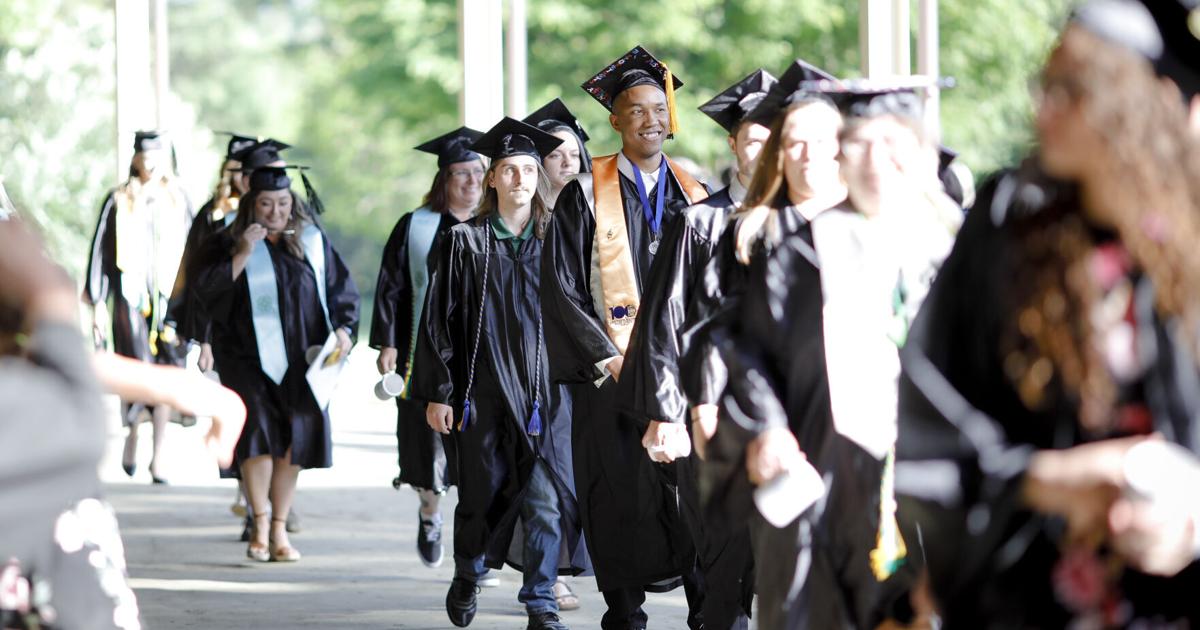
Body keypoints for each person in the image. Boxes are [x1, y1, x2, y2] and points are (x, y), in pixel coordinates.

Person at [894, 1, 1200, 625]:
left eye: (1070, 90)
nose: (1043, 107)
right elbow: (932, 406)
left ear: (1135, 104)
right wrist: (1044, 479)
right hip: (1028, 593)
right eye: (1046, 83)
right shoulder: (1010, 228)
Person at [0, 213, 244, 630]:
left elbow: (78, 373)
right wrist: (51, 301)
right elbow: (69, 415)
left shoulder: (38, 376)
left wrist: (196, 392)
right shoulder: (45, 427)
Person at [541, 45, 710, 630]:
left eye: (658, 107)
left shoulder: (696, 192)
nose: (650, 120)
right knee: (618, 496)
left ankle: (706, 611)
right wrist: (610, 359)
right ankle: (625, 614)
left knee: (692, 495)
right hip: (611, 379)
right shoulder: (583, 194)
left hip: (682, 378)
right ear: (614, 121)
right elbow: (560, 289)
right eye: (635, 110)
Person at [616, 67, 778, 630]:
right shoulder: (698, 223)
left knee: (779, 557)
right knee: (722, 555)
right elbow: (661, 323)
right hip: (708, 413)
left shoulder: (804, 221)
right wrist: (664, 411)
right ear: (732, 144)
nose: (764, 149)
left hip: (787, 416)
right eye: (752, 138)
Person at [414, 117, 587, 630]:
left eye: (528, 170)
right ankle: (469, 571)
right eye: (508, 170)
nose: (519, 180)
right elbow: (437, 320)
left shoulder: (557, 235)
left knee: (547, 499)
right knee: (481, 497)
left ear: (539, 178)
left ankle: (541, 603)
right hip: (482, 393)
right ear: (492, 179)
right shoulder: (464, 241)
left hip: (546, 393)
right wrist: (440, 391)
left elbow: (581, 311)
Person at [193, 165, 359, 563]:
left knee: (292, 441)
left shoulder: (313, 241)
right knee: (257, 438)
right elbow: (207, 295)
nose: (275, 212)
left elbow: (341, 293)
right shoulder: (229, 238)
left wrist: (345, 329)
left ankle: (281, 527)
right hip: (245, 359)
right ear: (252, 205)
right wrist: (244, 251)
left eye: (282, 203)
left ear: (292, 204)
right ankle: (260, 524)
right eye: (266, 203)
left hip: (304, 359)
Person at [370, 126, 485, 570]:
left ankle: (476, 551)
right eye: (461, 173)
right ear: (444, 179)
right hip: (424, 351)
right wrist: (389, 343)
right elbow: (392, 288)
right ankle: (430, 511)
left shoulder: (494, 225)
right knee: (425, 444)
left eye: (478, 171)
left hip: (479, 354)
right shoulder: (415, 226)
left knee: (478, 450)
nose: (471, 180)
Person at [83, 130, 194, 485]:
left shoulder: (178, 199)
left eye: (155, 156)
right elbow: (100, 255)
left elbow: (196, 253)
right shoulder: (119, 199)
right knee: (136, 368)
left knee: (166, 372)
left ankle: (158, 455)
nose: (149, 163)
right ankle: (132, 433)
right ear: (134, 159)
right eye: (143, 157)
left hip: (170, 300)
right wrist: (97, 305)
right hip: (129, 301)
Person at [522, 98, 593, 612]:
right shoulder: (528, 224)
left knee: (587, 474)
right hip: (541, 369)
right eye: (556, 155)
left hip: (596, 367)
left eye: (575, 153)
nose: (568, 162)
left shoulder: (605, 212)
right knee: (549, 475)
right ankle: (548, 577)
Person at [523, 98, 593, 206]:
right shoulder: (523, 215)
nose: (568, 162)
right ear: (538, 162)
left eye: (574, 155)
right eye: (556, 155)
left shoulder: (594, 210)